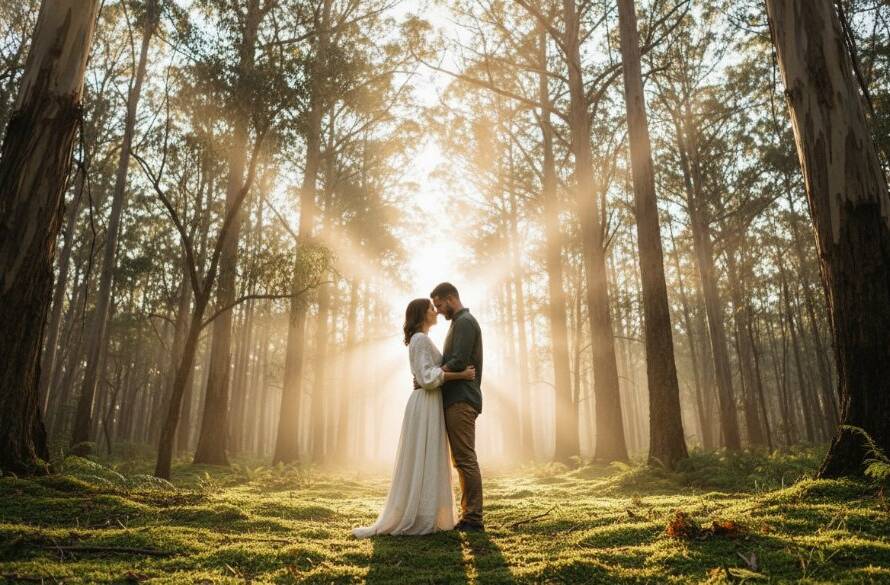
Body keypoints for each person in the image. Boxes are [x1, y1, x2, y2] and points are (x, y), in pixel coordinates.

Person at [352, 298, 474, 538]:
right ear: (421, 315)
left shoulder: (423, 339)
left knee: (429, 456)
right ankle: (420, 516)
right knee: (422, 454)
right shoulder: (419, 340)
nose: (435, 311)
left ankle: (428, 512)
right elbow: (427, 378)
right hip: (425, 402)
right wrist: (461, 374)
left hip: (430, 402)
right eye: (431, 308)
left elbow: (428, 373)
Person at [430, 282, 484, 532]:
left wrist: (429, 376)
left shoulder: (464, 322)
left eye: (440, 305)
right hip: (457, 398)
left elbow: (459, 361)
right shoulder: (458, 323)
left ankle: (473, 518)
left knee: (464, 458)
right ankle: (469, 515)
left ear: (451, 298)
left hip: (462, 399)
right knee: (461, 459)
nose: (438, 311)